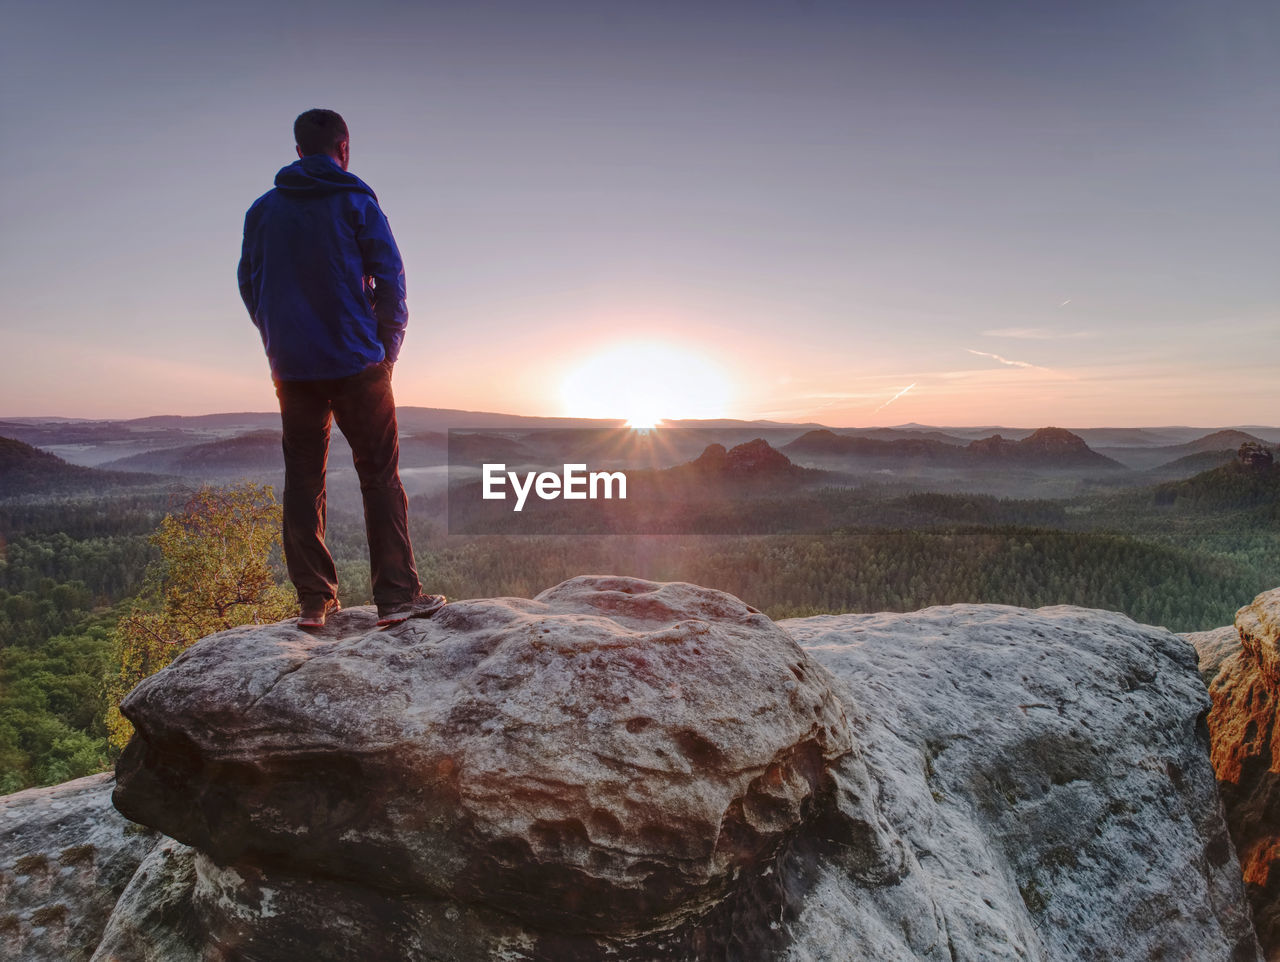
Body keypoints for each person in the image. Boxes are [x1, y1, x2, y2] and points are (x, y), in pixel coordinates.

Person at [237, 108, 444, 629]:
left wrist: (275, 339)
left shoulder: (263, 210)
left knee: (303, 480)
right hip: (358, 362)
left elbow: (249, 282)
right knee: (379, 477)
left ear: (299, 149)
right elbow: (392, 280)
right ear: (344, 148)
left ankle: (314, 602)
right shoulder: (356, 201)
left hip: (293, 368)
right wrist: (387, 352)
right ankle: (396, 599)